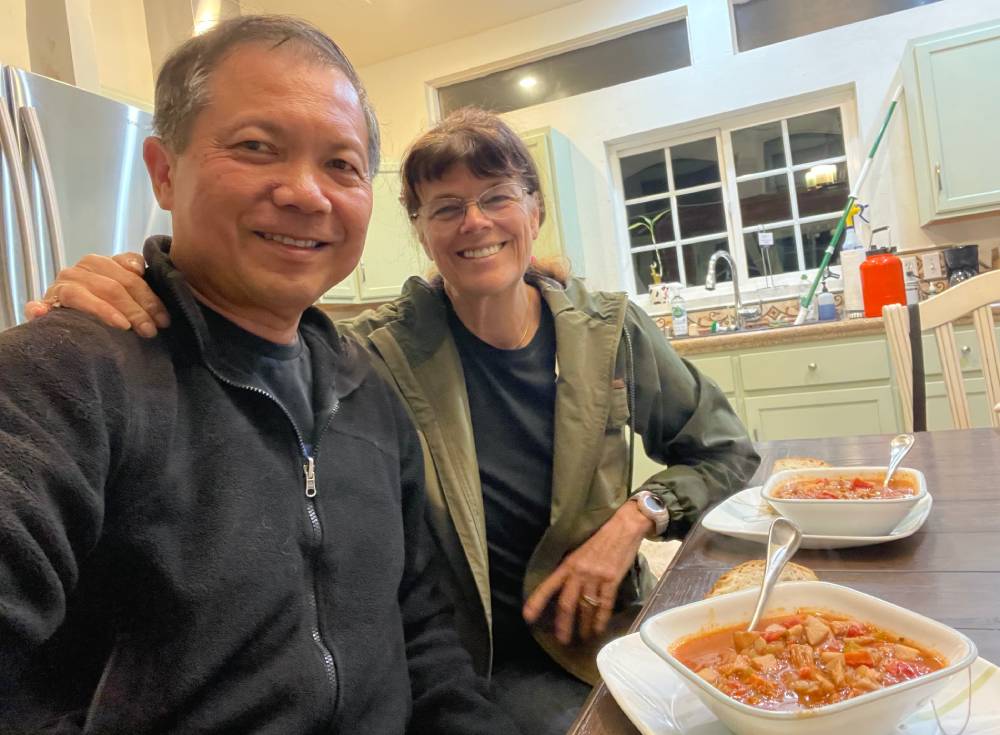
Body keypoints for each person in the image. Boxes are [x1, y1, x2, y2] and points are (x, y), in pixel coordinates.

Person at [28, 109, 760, 732]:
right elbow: (248, 327)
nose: (475, 222)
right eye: (446, 207)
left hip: (604, 642)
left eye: (497, 197)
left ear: (534, 211)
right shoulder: (372, 357)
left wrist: (637, 515)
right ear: (420, 229)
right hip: (466, 670)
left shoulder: (610, 334)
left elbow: (726, 451)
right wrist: (133, 283)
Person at [0, 16, 521, 735]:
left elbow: (423, 632)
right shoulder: (63, 376)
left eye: (341, 165)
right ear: (163, 171)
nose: (306, 193)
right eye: (255, 147)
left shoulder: (367, 388)